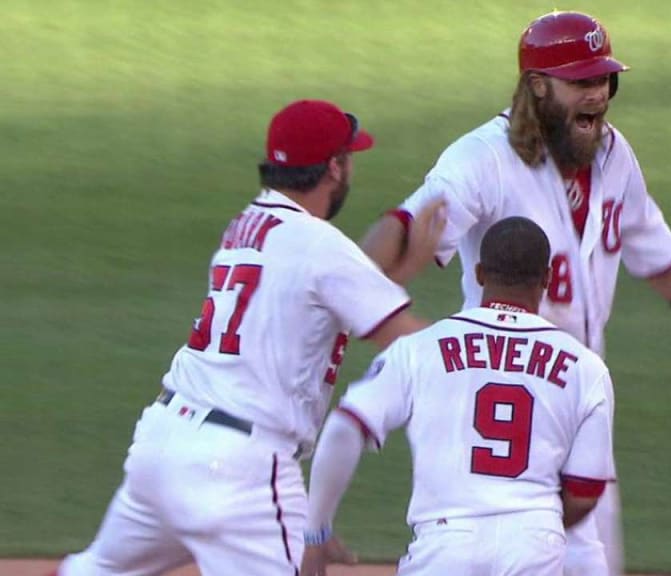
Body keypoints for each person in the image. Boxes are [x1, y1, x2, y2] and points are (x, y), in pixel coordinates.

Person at [358, 10, 671, 576]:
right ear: (537, 87)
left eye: (604, 80)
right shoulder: (483, 158)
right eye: (582, 82)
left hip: (580, 403)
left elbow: (655, 252)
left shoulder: (615, 158)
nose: (598, 95)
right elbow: (408, 221)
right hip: (506, 402)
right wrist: (363, 284)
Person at [57, 99, 446, 576]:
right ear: (333, 169)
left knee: (96, 569)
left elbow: (316, 313)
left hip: (163, 445)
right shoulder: (320, 245)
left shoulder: (246, 225)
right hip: (238, 472)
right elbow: (414, 345)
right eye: (348, 159)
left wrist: (403, 270)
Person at [301, 216, 615, 576]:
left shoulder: (418, 349)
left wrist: (316, 531)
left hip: (444, 546)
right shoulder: (585, 368)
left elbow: (345, 427)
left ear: (480, 274)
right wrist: (524, 516)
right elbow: (584, 494)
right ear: (546, 278)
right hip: (533, 546)